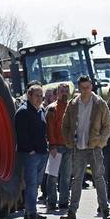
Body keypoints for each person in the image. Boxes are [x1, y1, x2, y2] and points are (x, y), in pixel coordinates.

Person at [60, 75, 110, 219]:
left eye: (88, 87)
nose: (85, 90)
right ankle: (72, 211)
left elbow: (107, 126)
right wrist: (69, 141)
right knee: (77, 179)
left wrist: (101, 142)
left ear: (91, 87)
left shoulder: (100, 103)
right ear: (78, 88)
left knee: (99, 178)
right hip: (78, 147)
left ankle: (105, 211)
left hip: (94, 147)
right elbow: (65, 126)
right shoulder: (73, 104)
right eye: (82, 88)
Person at [15, 84, 49, 219]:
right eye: (37, 95)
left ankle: (31, 210)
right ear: (29, 95)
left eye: (41, 96)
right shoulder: (23, 112)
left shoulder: (40, 111)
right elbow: (21, 134)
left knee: (36, 184)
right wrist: (30, 150)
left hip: (41, 153)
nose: (39, 99)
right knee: (31, 184)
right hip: (30, 154)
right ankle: (31, 213)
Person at [45, 83, 72, 211]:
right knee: (52, 176)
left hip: (69, 147)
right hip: (56, 147)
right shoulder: (51, 109)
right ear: (57, 93)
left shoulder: (72, 107)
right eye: (62, 91)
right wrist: (52, 146)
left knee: (66, 176)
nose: (65, 93)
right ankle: (51, 201)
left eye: (66, 90)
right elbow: (49, 129)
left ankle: (64, 201)